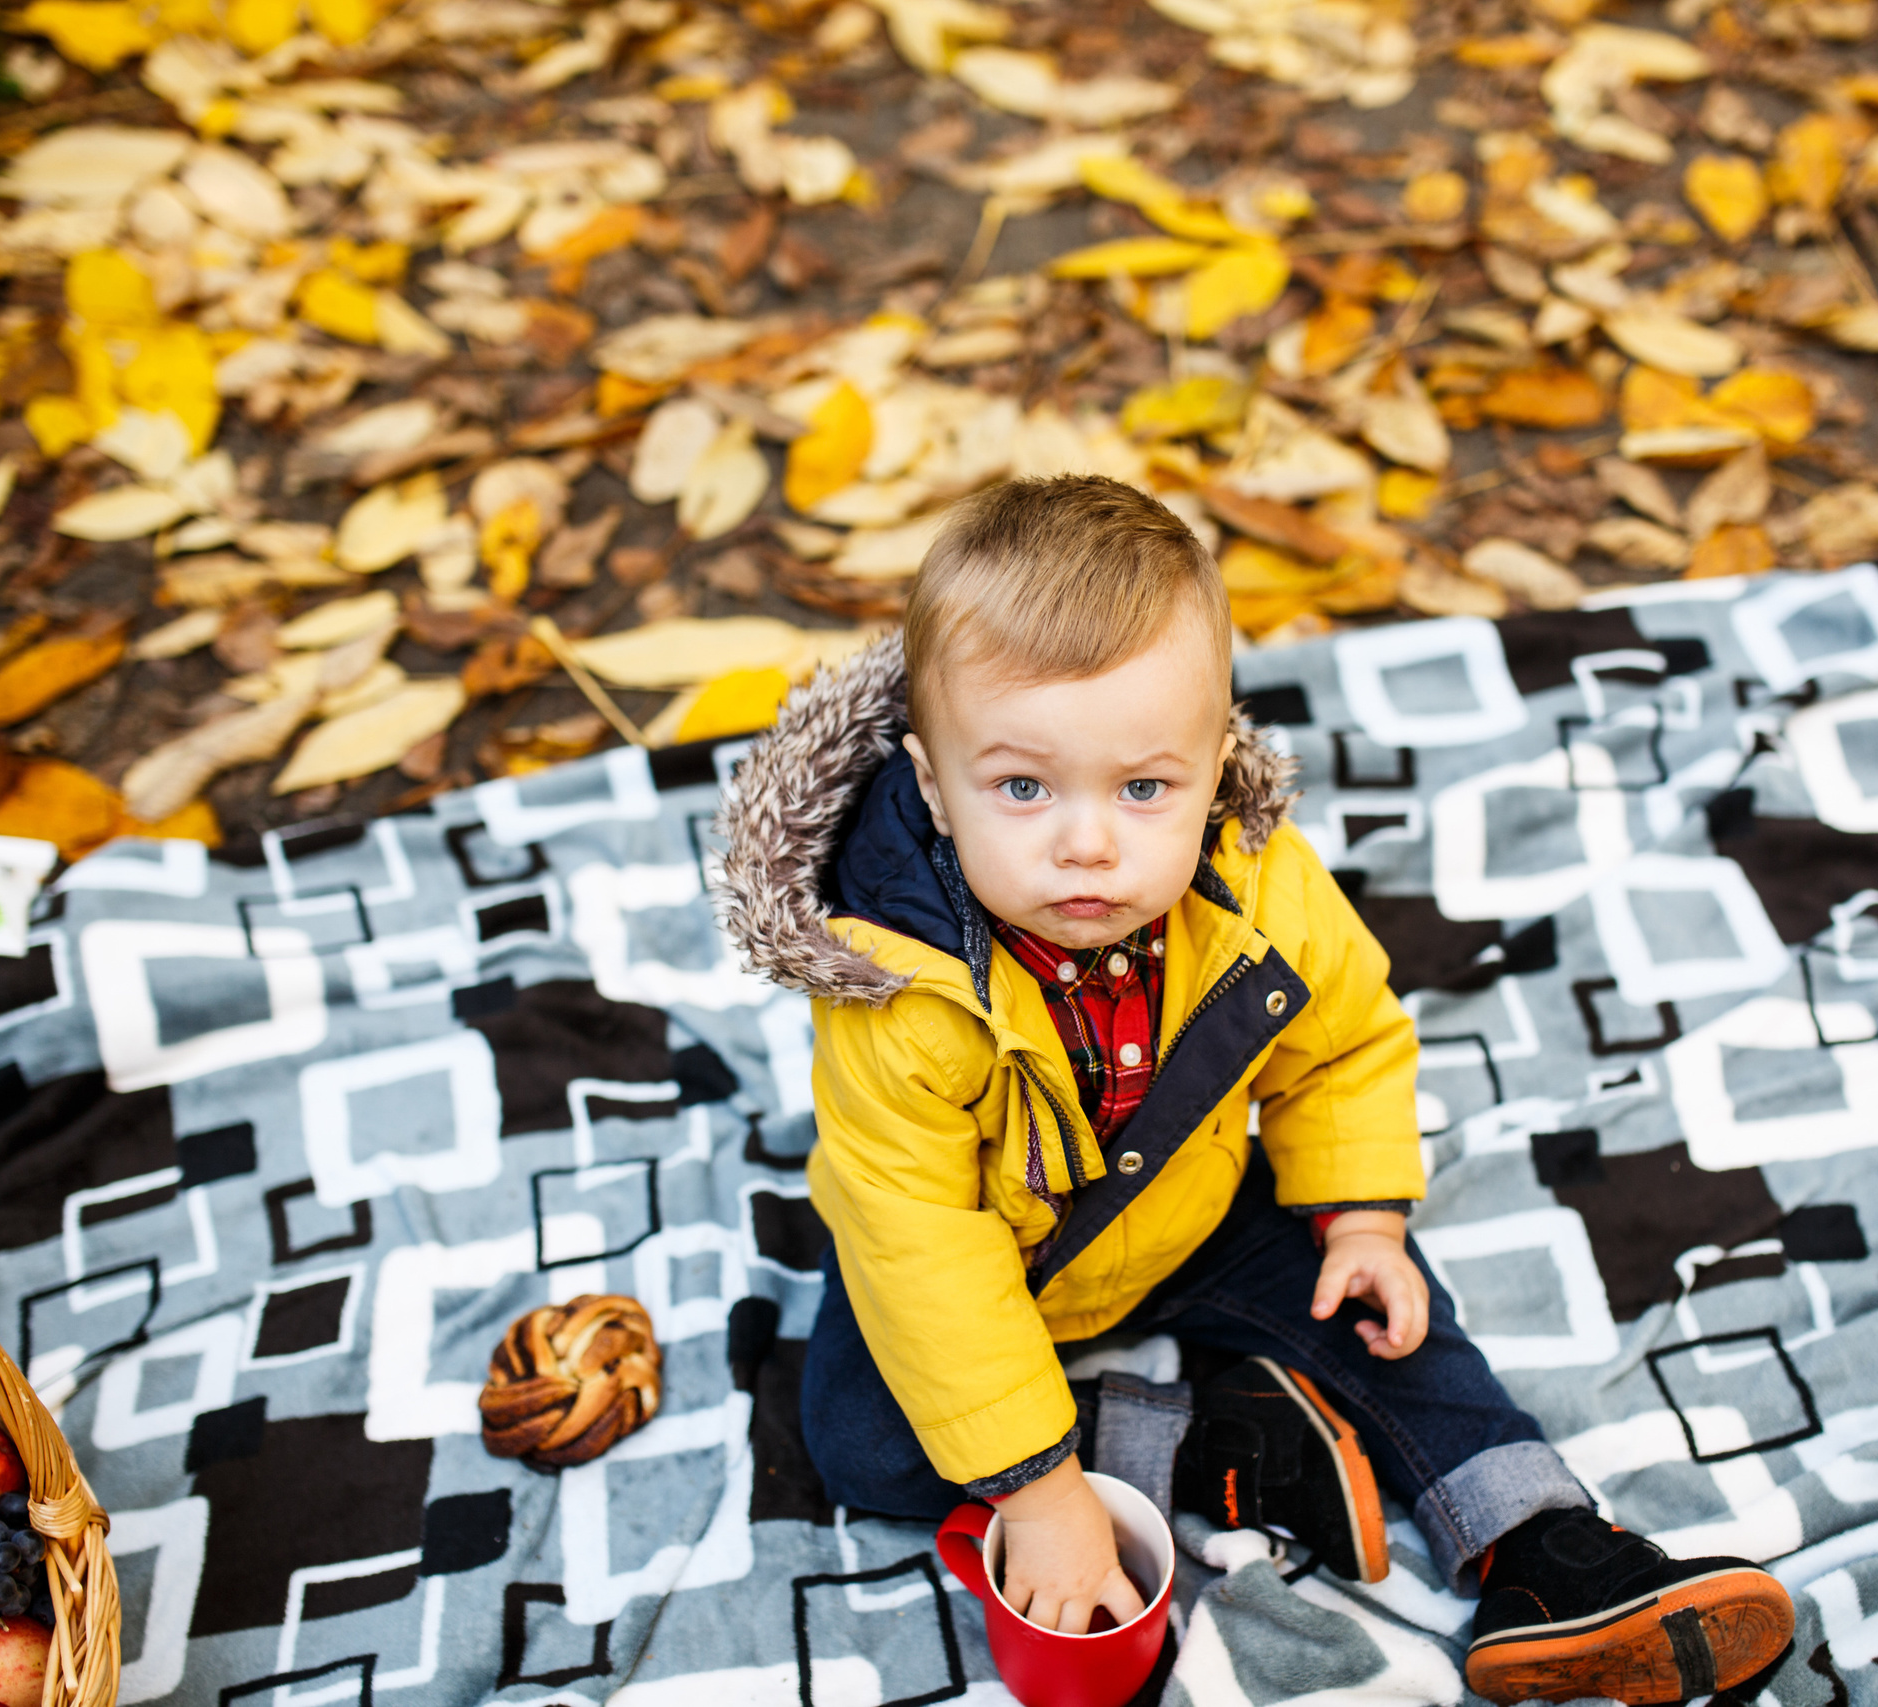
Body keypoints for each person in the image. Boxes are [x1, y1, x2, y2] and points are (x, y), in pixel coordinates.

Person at [718, 475, 1795, 1703]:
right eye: (1022, 788)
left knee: (1381, 1308)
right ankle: (1229, 1444)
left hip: (1189, 1205)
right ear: (928, 780)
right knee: (866, 1447)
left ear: (1215, 759)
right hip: (977, 1262)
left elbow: (1342, 1046)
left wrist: (1364, 1214)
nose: (1088, 844)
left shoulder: (1255, 886)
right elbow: (920, 1248)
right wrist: (1041, 1485)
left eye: (1143, 788)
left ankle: (1546, 1548)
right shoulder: (895, 991)